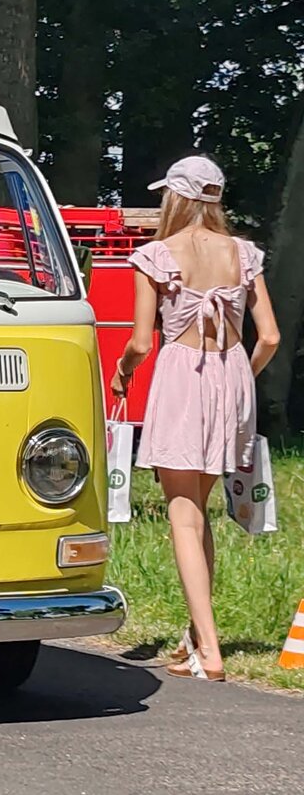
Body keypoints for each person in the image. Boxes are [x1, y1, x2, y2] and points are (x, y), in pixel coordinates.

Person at [111, 155, 280, 682]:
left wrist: (120, 372)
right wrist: (241, 379)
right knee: (200, 509)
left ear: (175, 197)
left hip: (184, 376)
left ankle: (209, 649)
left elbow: (142, 342)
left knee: (182, 514)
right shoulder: (243, 253)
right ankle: (194, 636)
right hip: (231, 375)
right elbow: (270, 337)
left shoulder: (157, 255)